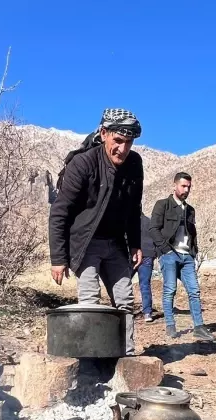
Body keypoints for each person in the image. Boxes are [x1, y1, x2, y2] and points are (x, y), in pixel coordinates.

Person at [48, 108, 145, 355]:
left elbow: (134, 208)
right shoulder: (83, 164)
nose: (123, 149)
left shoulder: (135, 164)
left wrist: (135, 243)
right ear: (104, 134)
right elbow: (59, 212)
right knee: (91, 301)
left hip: (115, 243)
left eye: (129, 142)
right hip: (85, 243)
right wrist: (58, 258)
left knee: (125, 300)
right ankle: (92, 358)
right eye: (118, 140)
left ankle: (126, 355)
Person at [148, 172, 215, 342]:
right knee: (170, 289)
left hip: (187, 256)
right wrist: (165, 250)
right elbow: (153, 229)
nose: (186, 190)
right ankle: (170, 325)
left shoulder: (190, 210)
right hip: (169, 254)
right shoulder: (163, 205)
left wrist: (194, 251)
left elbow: (192, 232)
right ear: (175, 185)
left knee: (194, 291)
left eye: (189, 187)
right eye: (183, 186)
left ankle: (199, 327)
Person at [137, 214, 156, 322]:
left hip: (132, 255)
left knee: (122, 282)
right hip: (148, 254)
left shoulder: (128, 220)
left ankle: (122, 309)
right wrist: (154, 254)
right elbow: (156, 238)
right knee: (145, 284)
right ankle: (147, 313)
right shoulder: (150, 222)